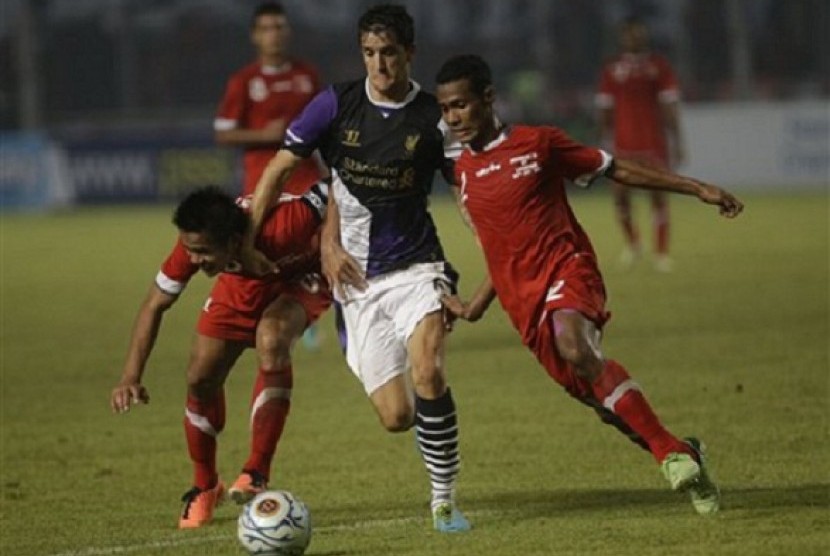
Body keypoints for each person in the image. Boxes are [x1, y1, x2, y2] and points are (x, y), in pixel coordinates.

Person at [435, 54, 743, 515]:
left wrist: (695, 188)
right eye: (445, 109)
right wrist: (475, 306)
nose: (453, 117)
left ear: (488, 98)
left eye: (461, 105)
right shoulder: (463, 174)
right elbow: (500, 253)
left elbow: (615, 168)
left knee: (575, 345)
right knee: (604, 404)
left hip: (569, 269)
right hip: (524, 305)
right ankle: (683, 451)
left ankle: (669, 454)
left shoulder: (538, 143)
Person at [245, 4, 470, 533]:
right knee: (398, 416)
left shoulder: (434, 116)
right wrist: (251, 243)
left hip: (418, 267)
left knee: (430, 370)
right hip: (357, 283)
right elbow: (280, 170)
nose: (379, 65)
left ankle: (444, 500)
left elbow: (468, 191)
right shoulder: (335, 104)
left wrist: (496, 244)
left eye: (389, 53)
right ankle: (430, 431)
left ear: (409, 53)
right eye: (369, 53)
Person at [110, 184, 330, 528]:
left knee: (271, 341)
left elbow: (334, 188)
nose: (194, 259)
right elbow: (155, 305)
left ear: (233, 241)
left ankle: (257, 469)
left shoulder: (287, 223)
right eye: (189, 250)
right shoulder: (192, 249)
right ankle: (205, 486)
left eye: (202, 252)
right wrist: (130, 376)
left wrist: (338, 244)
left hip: (303, 276)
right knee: (200, 377)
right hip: (243, 284)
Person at [214, 1, 325, 348]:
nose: (274, 35)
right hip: (262, 184)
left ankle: (309, 316)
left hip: (306, 178)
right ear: (254, 36)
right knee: (267, 253)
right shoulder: (244, 82)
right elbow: (223, 132)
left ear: (288, 32)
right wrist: (265, 135)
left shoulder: (306, 75)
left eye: (279, 27)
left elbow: (324, 124)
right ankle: (267, 319)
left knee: (323, 248)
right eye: (266, 29)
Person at [596, 17, 686, 272]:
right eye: (630, 34)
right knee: (620, 198)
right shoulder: (612, 70)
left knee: (658, 197)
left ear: (645, 36)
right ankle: (634, 245)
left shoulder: (658, 66)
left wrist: (677, 140)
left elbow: (670, 105)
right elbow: (605, 108)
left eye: (639, 33)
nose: (634, 38)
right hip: (622, 144)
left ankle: (661, 253)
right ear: (622, 38)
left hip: (653, 143)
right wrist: (603, 142)